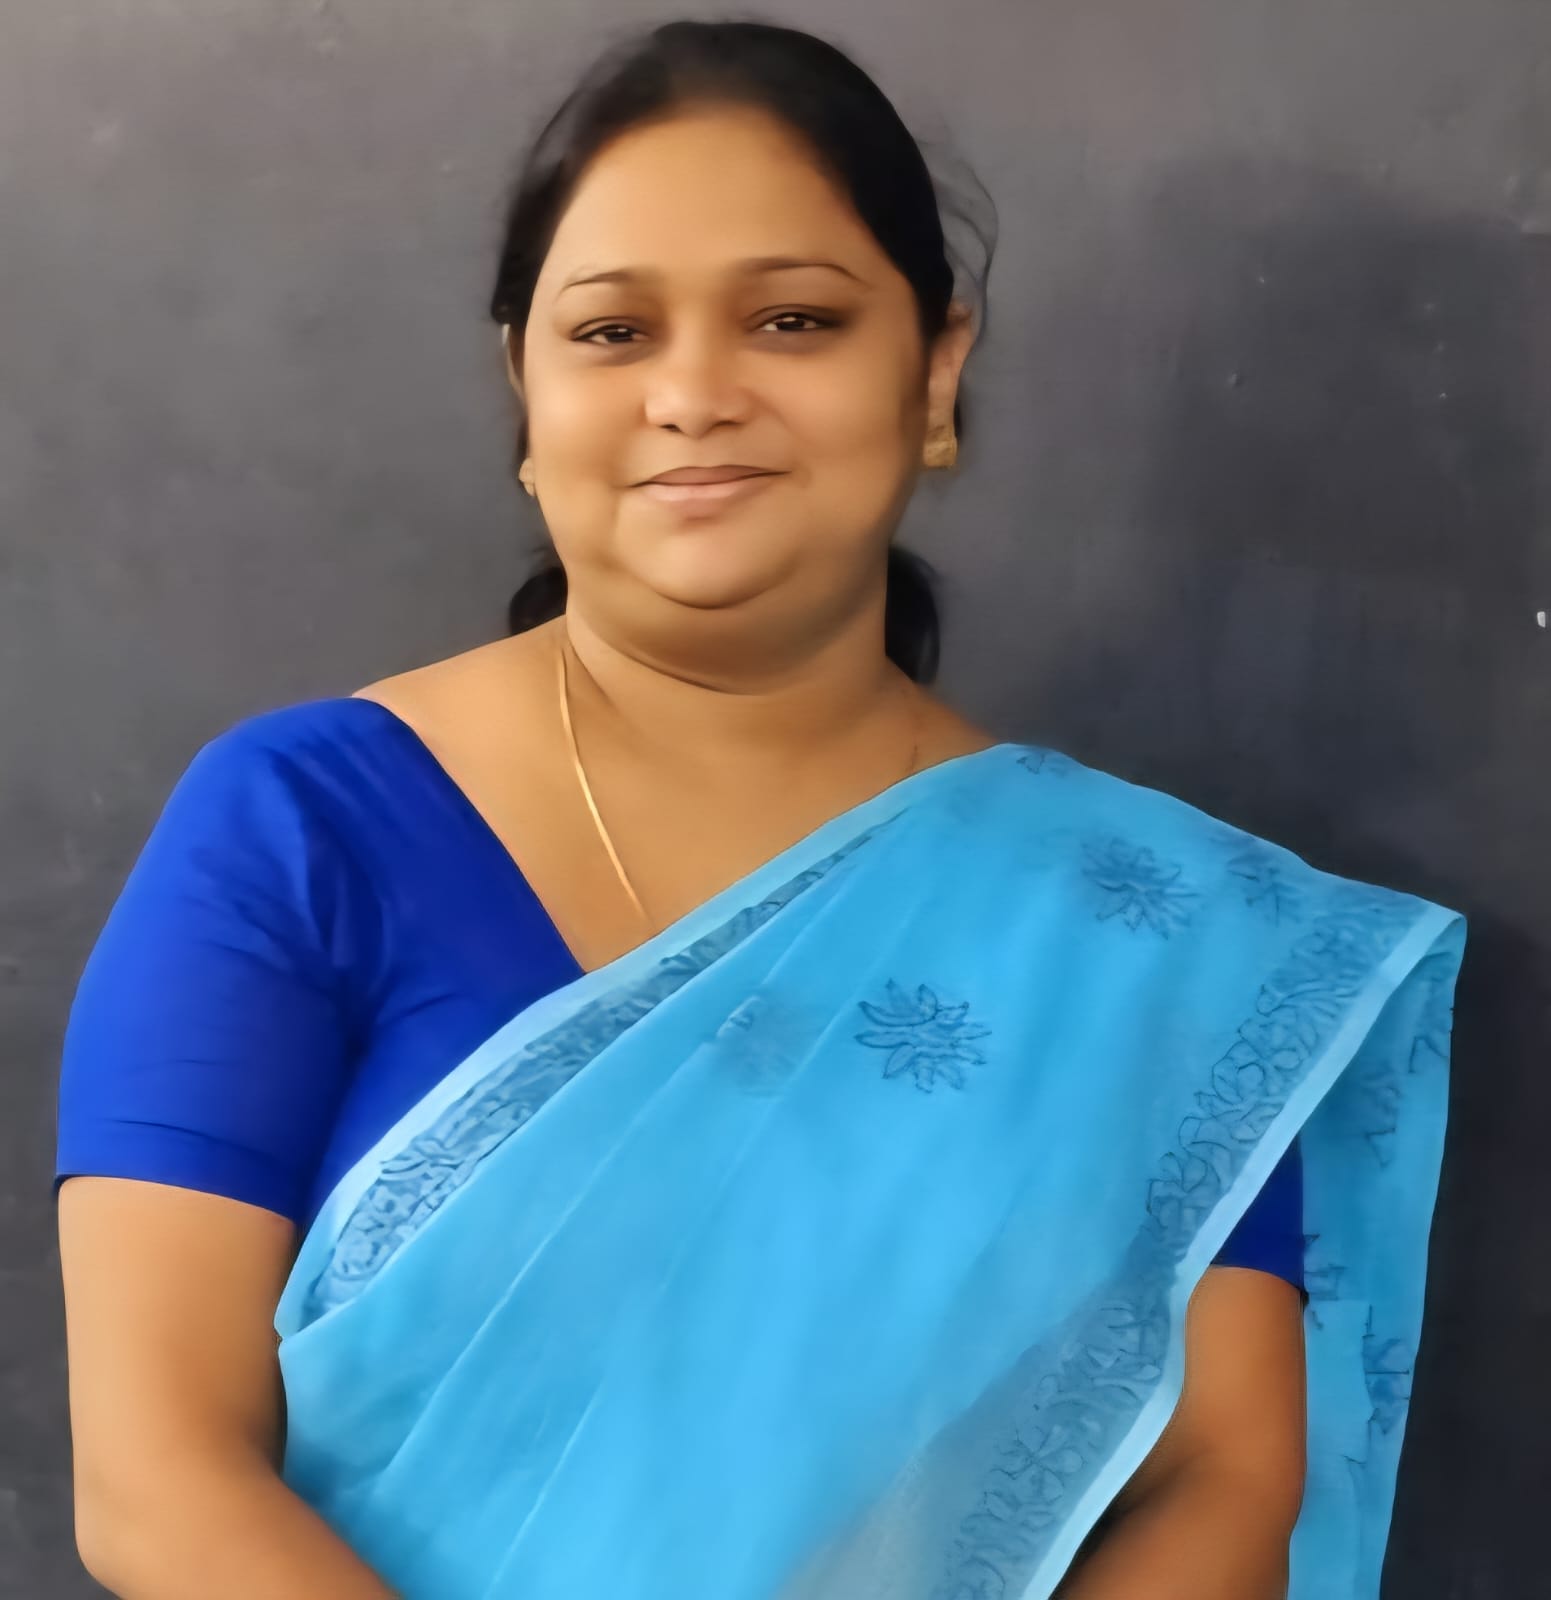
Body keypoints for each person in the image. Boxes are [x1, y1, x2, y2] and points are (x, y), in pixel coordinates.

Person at [53, 19, 1463, 1600]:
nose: (694, 394)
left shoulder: (1152, 938)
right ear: (525, 391)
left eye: (794, 320)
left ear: (936, 369)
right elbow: (157, 1477)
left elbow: (1220, 1479)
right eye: (612, 332)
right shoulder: (305, 825)